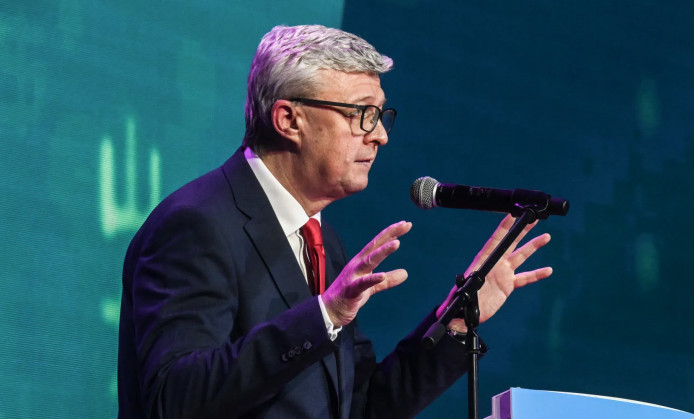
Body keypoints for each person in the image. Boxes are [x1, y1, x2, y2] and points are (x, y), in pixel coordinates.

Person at [117, 24, 553, 418]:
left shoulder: (323, 240)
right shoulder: (197, 225)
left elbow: (361, 407)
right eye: (362, 114)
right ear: (289, 120)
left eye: (380, 116)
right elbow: (173, 398)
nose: (380, 135)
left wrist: (457, 319)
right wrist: (325, 314)